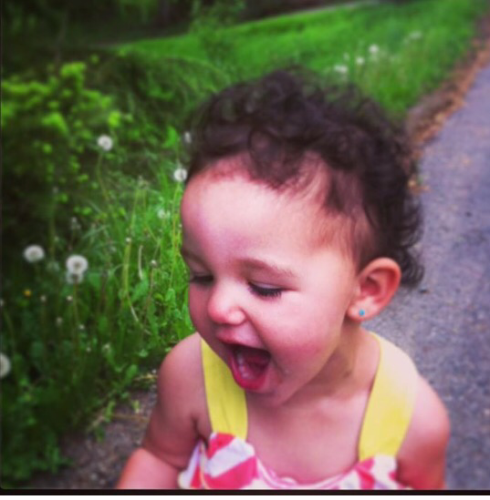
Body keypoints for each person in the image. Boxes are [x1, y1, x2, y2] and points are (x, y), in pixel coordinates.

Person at [117, 69, 450, 490]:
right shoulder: (191, 378)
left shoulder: (412, 423)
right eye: (202, 276)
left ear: (365, 290)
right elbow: (159, 458)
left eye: (264, 288)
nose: (218, 307)